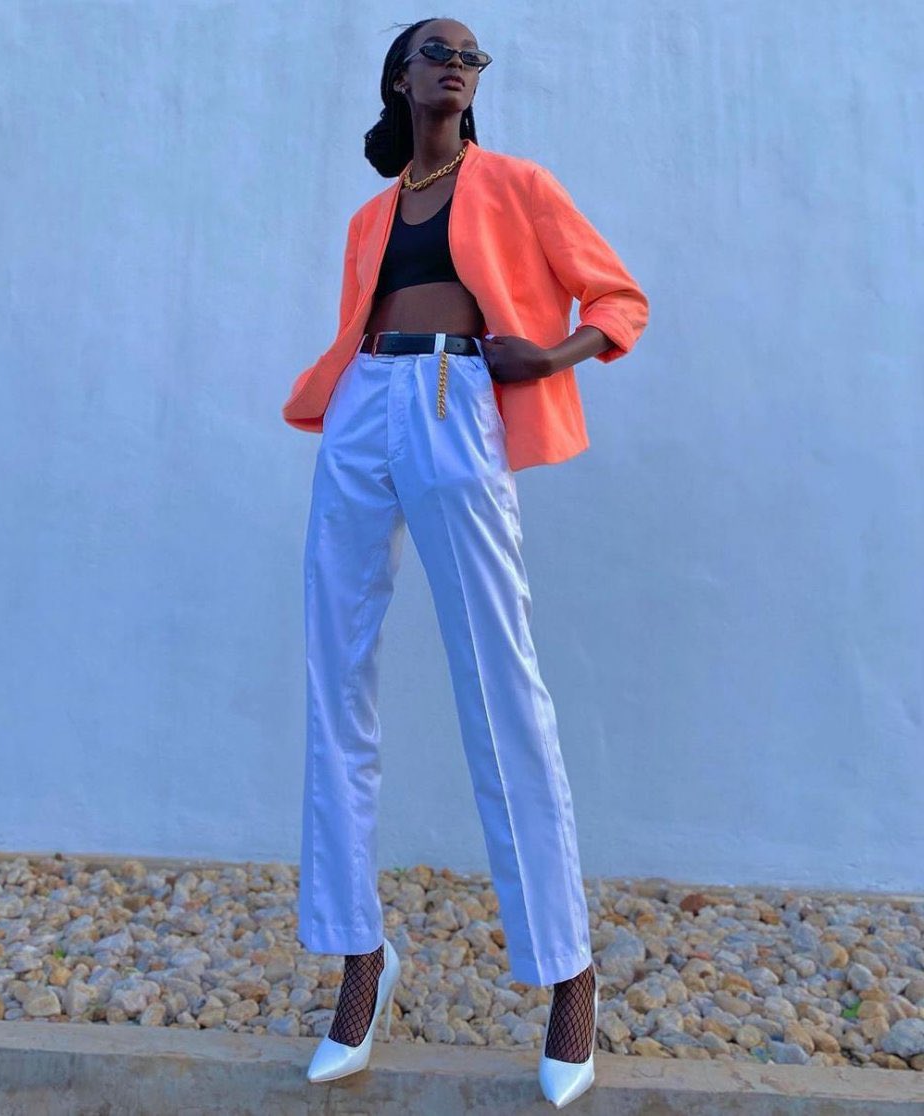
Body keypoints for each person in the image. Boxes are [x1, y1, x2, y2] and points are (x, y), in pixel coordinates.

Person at [281, 16, 648, 1108]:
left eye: (470, 56)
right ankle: (360, 957)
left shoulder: (519, 184)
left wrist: (551, 354)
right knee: (334, 676)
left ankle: (567, 971)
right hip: (364, 405)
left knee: (500, 680)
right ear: (399, 78)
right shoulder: (369, 216)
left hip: (456, 396)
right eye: (436, 51)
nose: (456, 64)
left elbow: (618, 299)